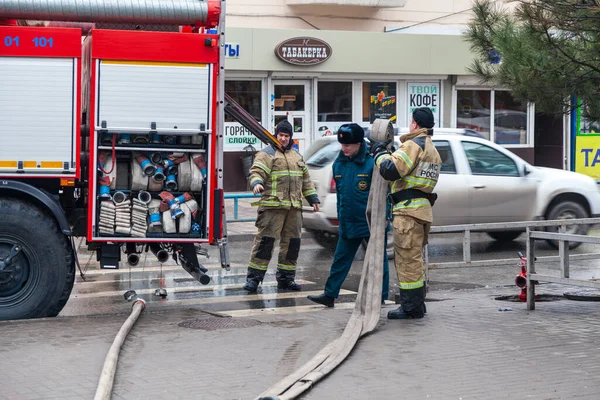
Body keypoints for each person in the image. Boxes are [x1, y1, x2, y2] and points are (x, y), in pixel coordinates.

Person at [307, 123, 390, 308]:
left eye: (348, 145)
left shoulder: (372, 162)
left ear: (359, 144)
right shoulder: (339, 164)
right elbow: (342, 195)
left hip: (371, 222)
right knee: (340, 259)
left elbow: (385, 192)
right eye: (342, 145)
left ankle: (381, 296)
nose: (344, 148)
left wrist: (386, 216)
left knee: (378, 260)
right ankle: (330, 294)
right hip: (348, 221)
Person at [370, 107, 442, 320]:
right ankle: (417, 303)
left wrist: (379, 153)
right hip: (421, 211)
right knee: (415, 259)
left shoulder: (413, 145)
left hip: (408, 212)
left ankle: (411, 308)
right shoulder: (433, 150)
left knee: (407, 260)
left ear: (415, 124)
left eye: (411, 121)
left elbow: (391, 170)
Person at [243, 120, 320, 292]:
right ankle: (254, 279)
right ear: (275, 135)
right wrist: (256, 183)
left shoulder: (296, 156)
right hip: (272, 208)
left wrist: (313, 199)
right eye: (280, 135)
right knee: (265, 244)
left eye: (286, 136)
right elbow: (256, 172)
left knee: (292, 245)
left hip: (294, 209)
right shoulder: (267, 154)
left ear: (290, 137)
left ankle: (286, 279)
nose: (283, 139)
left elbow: (306, 181)